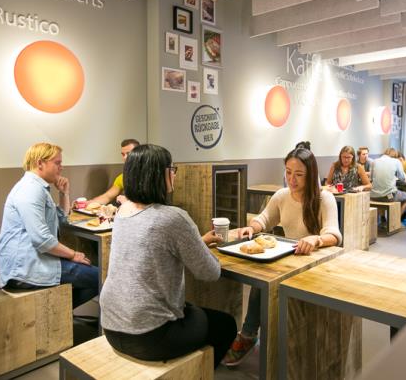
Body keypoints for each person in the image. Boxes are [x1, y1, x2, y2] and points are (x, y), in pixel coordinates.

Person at [99, 144, 237, 368]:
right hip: (149, 336)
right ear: (159, 174)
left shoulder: (124, 211)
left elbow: (153, 250)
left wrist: (196, 242)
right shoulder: (173, 218)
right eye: (171, 169)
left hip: (112, 327)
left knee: (188, 308)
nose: (173, 174)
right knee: (225, 324)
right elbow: (210, 272)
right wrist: (201, 248)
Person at [223, 147, 342, 366]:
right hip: (290, 260)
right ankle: (250, 334)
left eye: (299, 175)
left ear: (311, 174)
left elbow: (334, 234)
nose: (291, 179)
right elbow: (265, 218)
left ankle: (250, 334)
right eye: (288, 172)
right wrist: (253, 227)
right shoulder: (282, 196)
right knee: (261, 281)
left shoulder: (324, 198)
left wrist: (316, 239)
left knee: (264, 288)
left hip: (316, 265)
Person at [0, 143, 99, 309]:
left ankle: (57, 311)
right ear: (40, 163)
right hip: (26, 269)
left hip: (33, 261)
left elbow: (61, 219)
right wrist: (73, 254)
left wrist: (64, 193)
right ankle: (56, 311)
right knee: (101, 278)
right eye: (57, 163)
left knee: (92, 274)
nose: (61, 167)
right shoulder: (31, 190)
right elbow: (42, 240)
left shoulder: (38, 187)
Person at [90, 138, 140, 205]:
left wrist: (128, 201)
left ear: (139, 154)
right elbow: (107, 197)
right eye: (123, 154)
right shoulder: (123, 177)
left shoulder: (150, 175)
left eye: (129, 153)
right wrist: (87, 203)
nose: (125, 157)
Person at [370, 148, 406, 216]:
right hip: (389, 197)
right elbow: (403, 178)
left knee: (383, 192)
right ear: (394, 155)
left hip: (373, 196)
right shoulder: (396, 161)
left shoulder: (374, 161)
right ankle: (397, 219)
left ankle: (383, 219)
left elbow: (371, 178)